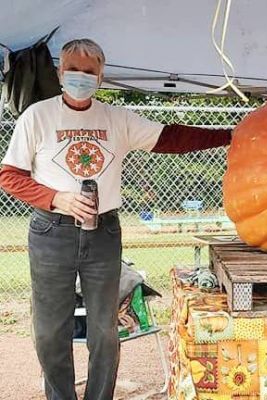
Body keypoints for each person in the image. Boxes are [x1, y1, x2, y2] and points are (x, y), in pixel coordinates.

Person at [0, 38, 232, 400]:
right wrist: (56, 198)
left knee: (105, 329)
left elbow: (170, 137)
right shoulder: (38, 116)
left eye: (89, 72)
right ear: (60, 72)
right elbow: (9, 176)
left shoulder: (116, 119)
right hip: (51, 231)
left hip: (102, 232)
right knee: (49, 331)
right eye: (73, 70)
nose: (80, 77)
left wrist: (230, 136)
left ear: (101, 77)